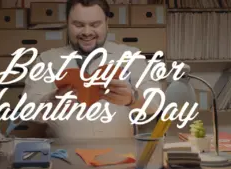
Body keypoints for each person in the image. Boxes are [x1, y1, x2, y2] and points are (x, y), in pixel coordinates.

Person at [22, 0, 161, 139]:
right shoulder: (46, 59)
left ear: (107, 23)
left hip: (120, 155)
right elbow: (27, 110)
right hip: (63, 155)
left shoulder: (130, 56)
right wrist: (48, 103)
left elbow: (156, 102)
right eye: (78, 25)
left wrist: (133, 98)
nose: (87, 32)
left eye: (95, 24)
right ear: (67, 23)